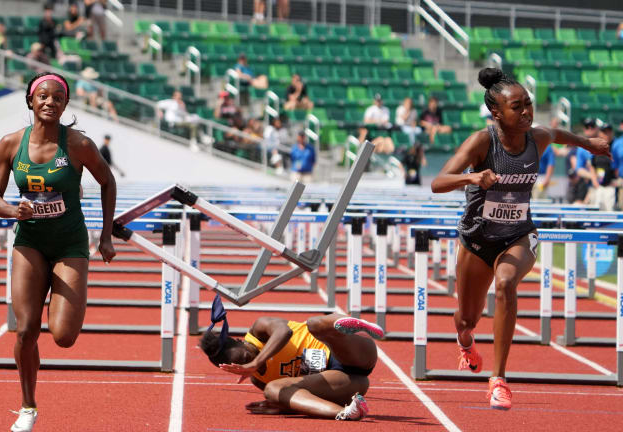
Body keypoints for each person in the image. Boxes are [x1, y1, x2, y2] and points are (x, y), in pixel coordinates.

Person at [430, 67, 609, 411]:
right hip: (478, 240)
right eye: (517, 107)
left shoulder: (536, 137)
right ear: (496, 112)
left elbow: (559, 134)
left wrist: (591, 145)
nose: (526, 112)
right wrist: (473, 177)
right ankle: (465, 342)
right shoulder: (483, 141)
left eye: (528, 104)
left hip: (520, 235)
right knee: (467, 318)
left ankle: (498, 379)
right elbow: (438, 182)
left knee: (507, 282)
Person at [0, 72, 118, 432]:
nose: (49, 102)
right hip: (29, 242)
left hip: (69, 244)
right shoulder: (10, 145)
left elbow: (108, 181)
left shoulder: (77, 144)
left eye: (57, 98)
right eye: (42, 96)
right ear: (31, 100)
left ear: (65, 105)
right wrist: (14, 210)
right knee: (26, 330)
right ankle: (28, 407)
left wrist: (105, 236)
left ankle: (60, 299)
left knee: (63, 336)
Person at [199, 295, 384, 420]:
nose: (249, 364)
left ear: (240, 340)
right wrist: (283, 406)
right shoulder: (259, 380)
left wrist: (256, 362)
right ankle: (346, 414)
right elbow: (304, 395)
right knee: (272, 390)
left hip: (354, 352)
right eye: (241, 365)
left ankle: (347, 324)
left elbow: (284, 331)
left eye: (247, 356)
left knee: (314, 324)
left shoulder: (259, 328)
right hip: (346, 381)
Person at [580, 123, 616, 210]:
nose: (606, 134)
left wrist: (616, 181)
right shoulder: (596, 146)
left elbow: (617, 167)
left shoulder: (616, 146)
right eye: (604, 132)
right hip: (597, 185)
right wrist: (594, 179)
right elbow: (592, 164)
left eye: (608, 132)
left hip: (610, 186)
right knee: (596, 210)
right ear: (600, 133)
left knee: (609, 211)